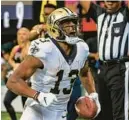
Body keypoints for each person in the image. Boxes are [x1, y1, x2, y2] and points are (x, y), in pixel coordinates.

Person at [7, 7, 101, 120]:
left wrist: (93, 95)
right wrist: (37, 95)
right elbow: (13, 81)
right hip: (36, 108)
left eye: (73, 22)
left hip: (60, 111)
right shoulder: (44, 49)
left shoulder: (82, 48)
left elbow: (85, 73)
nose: (71, 25)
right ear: (54, 27)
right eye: (65, 23)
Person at [80, 1, 129, 120]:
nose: (110, 1)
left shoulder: (126, 13)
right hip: (101, 68)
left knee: (120, 111)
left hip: (119, 68)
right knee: (101, 109)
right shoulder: (99, 13)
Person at [3, 27, 30, 120]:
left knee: (26, 108)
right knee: (6, 101)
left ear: (29, 35)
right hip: (16, 81)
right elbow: (10, 59)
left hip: (28, 83)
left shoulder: (31, 47)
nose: (21, 36)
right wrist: (14, 64)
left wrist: (21, 66)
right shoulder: (16, 48)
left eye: (24, 34)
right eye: (19, 34)